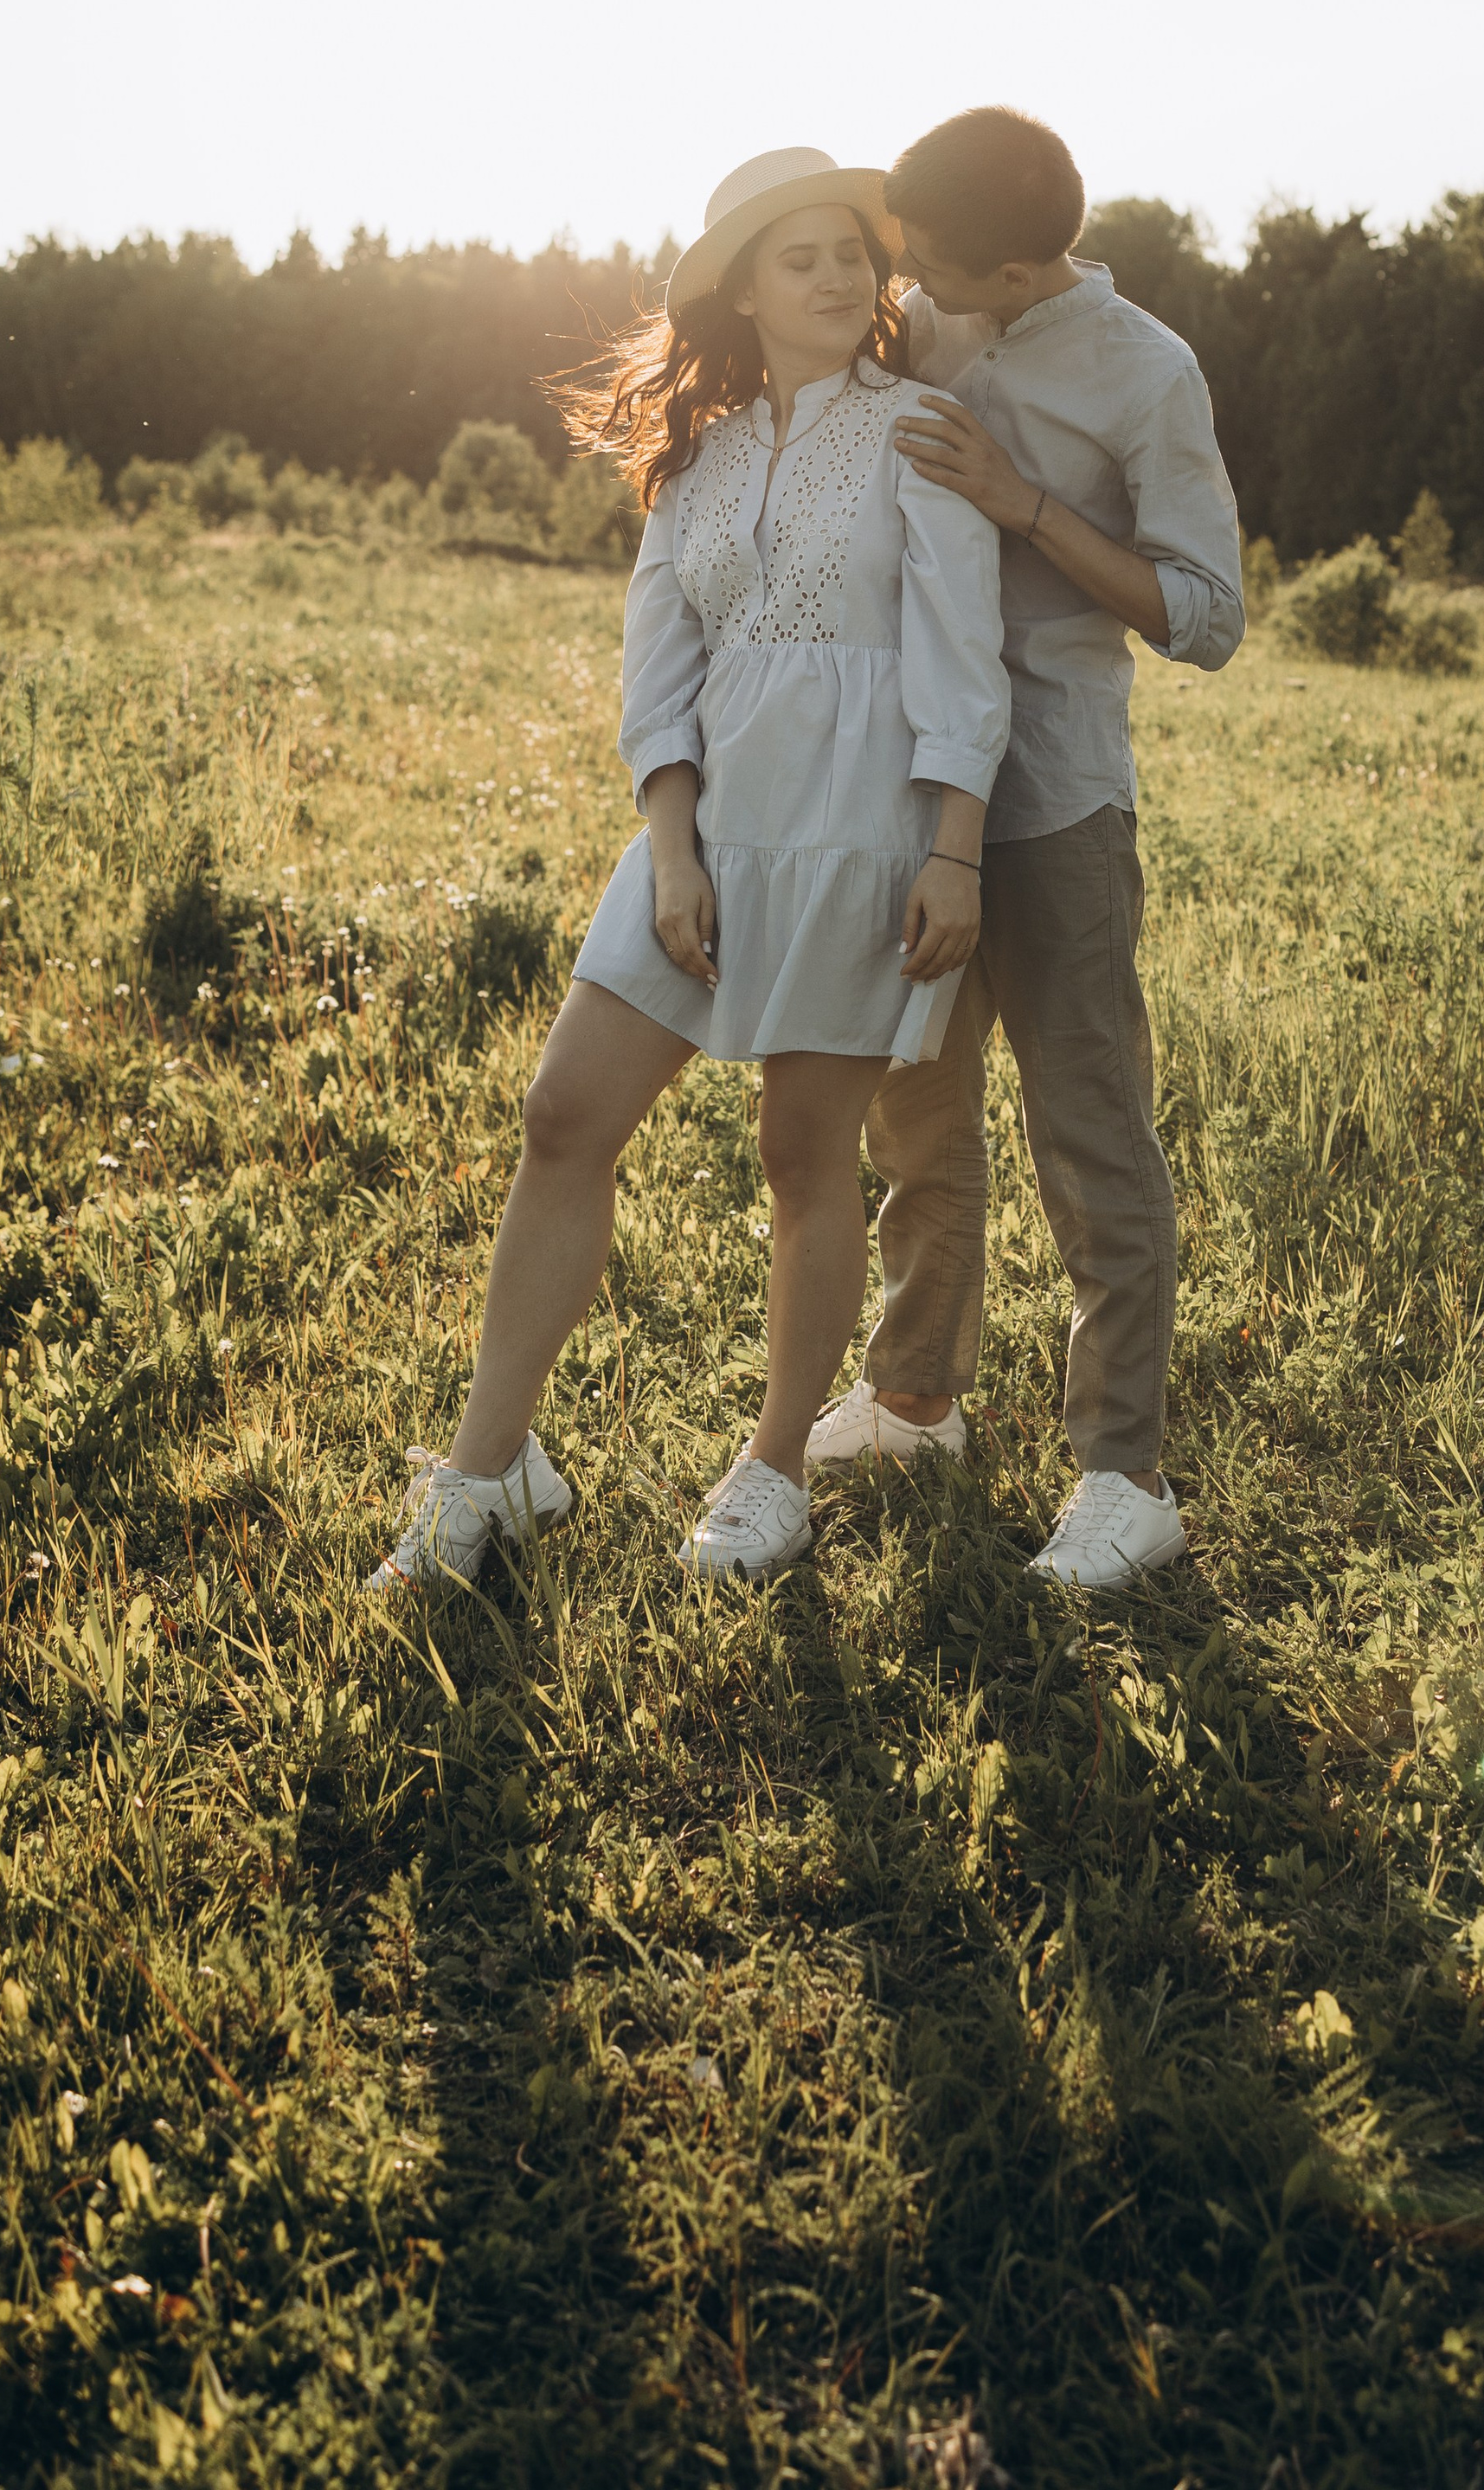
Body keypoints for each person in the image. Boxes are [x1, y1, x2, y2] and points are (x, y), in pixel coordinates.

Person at [365, 146, 1010, 1592]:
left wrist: (953, 852)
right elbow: (656, 673)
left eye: (857, 252)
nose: (844, 276)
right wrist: (672, 847)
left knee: (801, 1154)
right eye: (806, 258)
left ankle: (773, 1469)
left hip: (864, 836)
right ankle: (488, 1474)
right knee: (563, 1114)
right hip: (703, 841)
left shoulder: (922, 433)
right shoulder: (695, 458)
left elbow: (968, 670)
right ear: (744, 289)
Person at [800, 107, 1245, 1592]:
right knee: (917, 1108)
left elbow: (1207, 617)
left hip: (1056, 794)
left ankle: (1125, 1476)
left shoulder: (1148, 374)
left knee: (1089, 1130)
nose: (905, 282)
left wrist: (1026, 503)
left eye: (932, 264)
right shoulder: (933, 310)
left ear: (1020, 262)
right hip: (914, 786)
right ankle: (918, 1398)